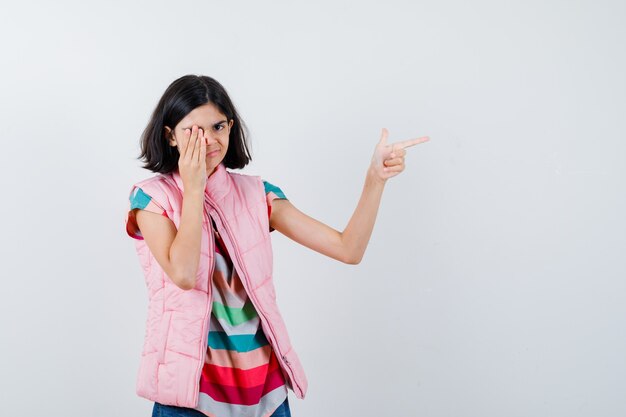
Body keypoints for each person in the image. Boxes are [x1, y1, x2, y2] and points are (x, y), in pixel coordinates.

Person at [125, 74, 429, 417]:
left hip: (266, 398)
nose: (209, 140)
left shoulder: (258, 195)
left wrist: (374, 180)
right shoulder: (152, 198)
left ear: (231, 128)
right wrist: (193, 189)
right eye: (194, 131)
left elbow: (348, 249)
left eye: (218, 127)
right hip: (191, 400)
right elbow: (182, 274)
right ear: (170, 136)